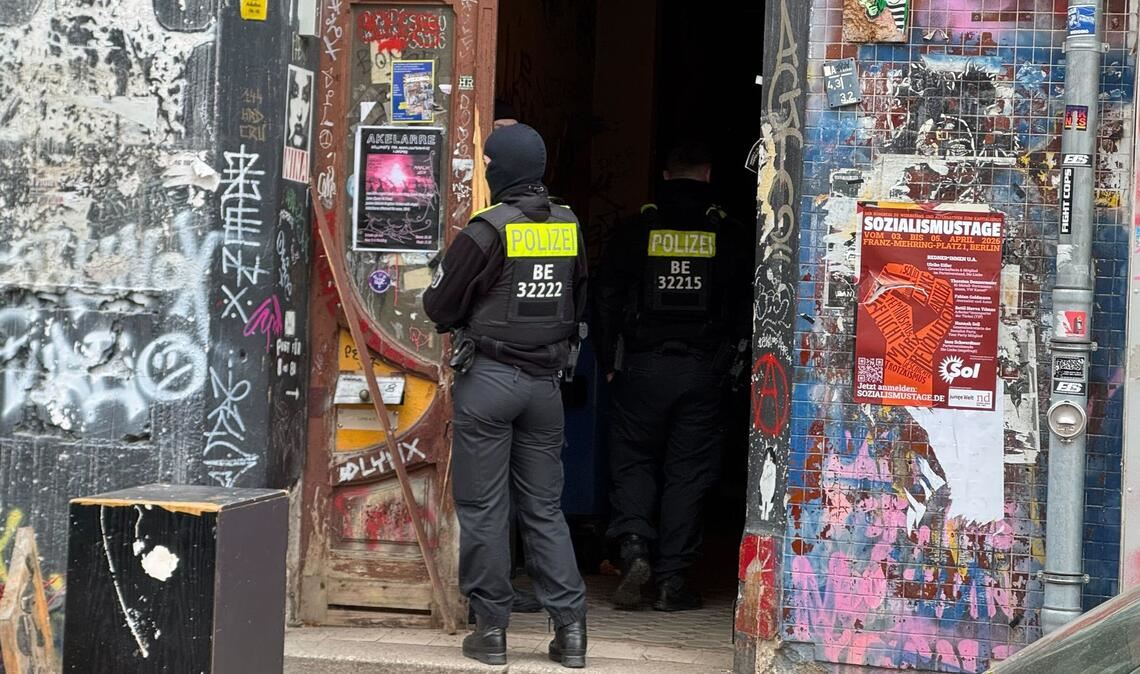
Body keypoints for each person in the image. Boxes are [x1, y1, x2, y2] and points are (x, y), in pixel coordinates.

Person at [424, 123, 589, 668]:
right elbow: (579, 301)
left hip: (491, 383)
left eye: (489, 164)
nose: (487, 171)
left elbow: (441, 307)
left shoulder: (487, 230)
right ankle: (570, 633)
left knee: (484, 507)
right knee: (544, 508)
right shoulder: (568, 225)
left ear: (503, 170)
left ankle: (491, 632)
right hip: (545, 388)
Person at [597, 140, 752, 611]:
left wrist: (608, 362)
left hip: (640, 368)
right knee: (688, 474)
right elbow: (752, 302)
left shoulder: (634, 230)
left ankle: (634, 549)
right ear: (707, 174)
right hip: (703, 371)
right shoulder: (730, 234)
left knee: (633, 462)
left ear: (664, 175)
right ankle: (672, 582)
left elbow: (605, 297)